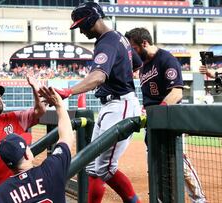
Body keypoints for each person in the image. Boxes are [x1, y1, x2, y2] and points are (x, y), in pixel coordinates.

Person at [53, 2, 141, 203]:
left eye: (81, 25)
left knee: (105, 167)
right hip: (111, 104)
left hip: (121, 104)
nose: (81, 31)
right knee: (93, 167)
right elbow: (136, 63)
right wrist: (120, 73)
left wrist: (69, 91)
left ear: (93, 18)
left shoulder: (107, 42)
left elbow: (98, 77)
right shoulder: (118, 37)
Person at [125, 27, 207, 203]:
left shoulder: (166, 59)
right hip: (154, 123)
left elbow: (176, 93)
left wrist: (159, 112)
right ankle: (162, 199)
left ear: (144, 43)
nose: (132, 51)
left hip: (170, 121)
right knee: (156, 163)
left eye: (134, 47)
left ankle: (199, 200)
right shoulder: (144, 65)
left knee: (179, 162)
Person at [0, 86, 73, 203]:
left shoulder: (1, 194)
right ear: (27, 155)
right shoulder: (51, 169)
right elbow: (67, 137)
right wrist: (58, 104)